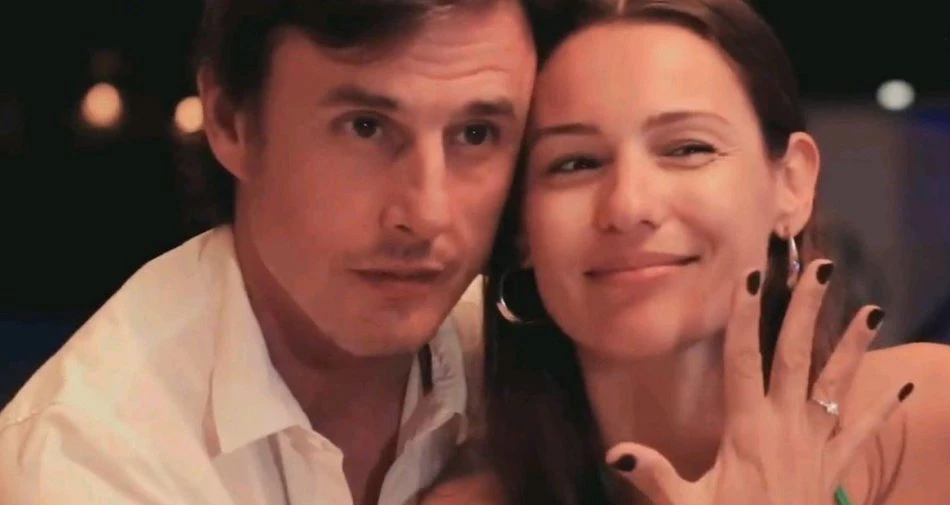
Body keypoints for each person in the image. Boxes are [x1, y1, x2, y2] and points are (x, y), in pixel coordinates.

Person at [458, 0, 950, 503]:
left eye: (687, 148)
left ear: (792, 184)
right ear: (520, 225)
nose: (628, 206)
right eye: (576, 162)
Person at [0, 0, 565, 503]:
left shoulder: (537, 371)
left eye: (475, 133)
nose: (426, 214)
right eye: (366, 127)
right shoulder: (86, 462)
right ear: (231, 122)